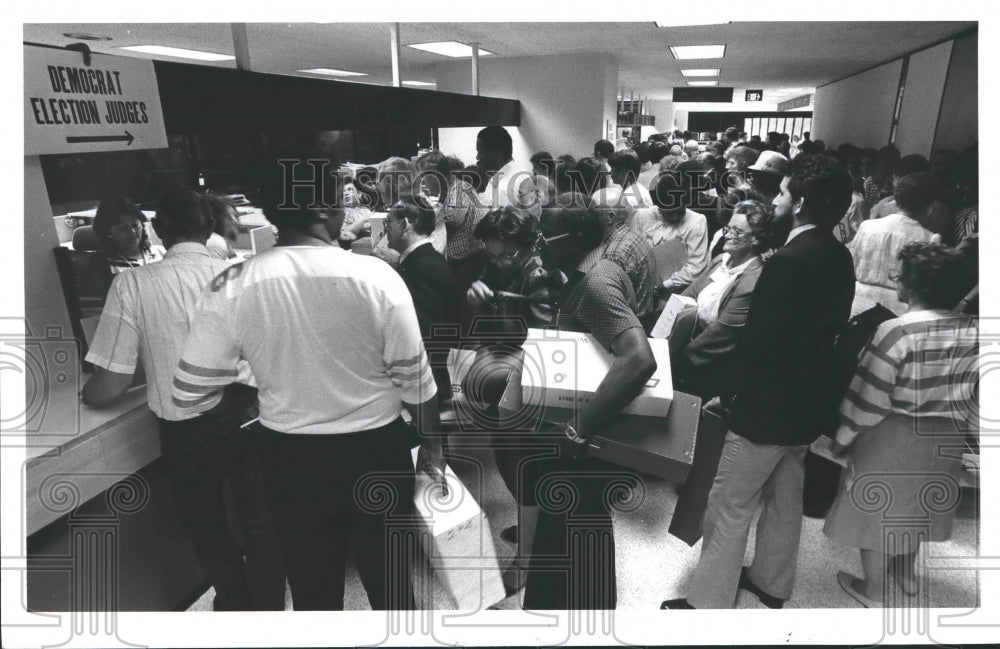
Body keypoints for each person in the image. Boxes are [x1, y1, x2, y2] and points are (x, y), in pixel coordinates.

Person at [171, 158, 446, 611]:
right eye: (341, 199)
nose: (349, 208)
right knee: (392, 586)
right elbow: (416, 382)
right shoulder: (377, 277)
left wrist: (267, 389)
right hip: (376, 452)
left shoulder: (232, 282)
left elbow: (189, 392)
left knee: (313, 588)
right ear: (321, 208)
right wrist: (433, 447)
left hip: (290, 458)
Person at [662, 154, 855, 610]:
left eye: (785, 193)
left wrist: (729, 396)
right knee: (786, 498)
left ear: (801, 202)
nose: (779, 199)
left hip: (766, 406)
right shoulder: (839, 255)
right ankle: (772, 582)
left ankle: (708, 600)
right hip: (807, 403)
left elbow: (758, 344)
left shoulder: (786, 262)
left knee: (730, 501)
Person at [82, 188, 285, 611]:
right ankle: (267, 609)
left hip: (188, 432)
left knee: (208, 526)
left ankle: (234, 604)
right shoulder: (243, 273)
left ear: (158, 230)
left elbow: (112, 383)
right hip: (250, 415)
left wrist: (90, 391)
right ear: (209, 225)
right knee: (262, 521)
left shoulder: (133, 285)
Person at [520, 201, 657, 610]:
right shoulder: (590, 272)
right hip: (586, 430)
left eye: (545, 234)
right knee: (577, 533)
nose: (537, 241)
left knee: (576, 532)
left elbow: (639, 358)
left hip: (586, 438)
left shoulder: (597, 282)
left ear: (576, 240)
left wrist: (577, 427)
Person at [825, 242, 977, 607]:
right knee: (919, 509)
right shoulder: (973, 332)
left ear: (912, 285)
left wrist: (844, 435)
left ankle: (873, 590)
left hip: (894, 436)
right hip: (946, 437)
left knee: (877, 514)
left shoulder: (896, 331)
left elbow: (869, 397)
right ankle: (905, 575)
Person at [461, 205, 564, 590]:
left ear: (524, 245)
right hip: (502, 380)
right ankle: (530, 528)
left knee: (523, 465)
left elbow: (543, 342)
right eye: (491, 253)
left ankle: (528, 562)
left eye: (505, 253)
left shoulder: (539, 276)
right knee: (506, 457)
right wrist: (477, 298)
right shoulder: (500, 265)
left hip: (526, 383)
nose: (497, 260)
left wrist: (487, 312)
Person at [670, 200, 775, 400]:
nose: (727, 234)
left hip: (706, 366)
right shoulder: (722, 260)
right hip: (684, 345)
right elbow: (688, 295)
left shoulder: (753, 279)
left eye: (737, 231)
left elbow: (720, 335)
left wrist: (675, 360)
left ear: (756, 239)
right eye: (728, 228)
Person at [385, 195, 461, 405]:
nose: (385, 230)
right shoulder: (420, 261)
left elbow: (428, 336)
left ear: (405, 224)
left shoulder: (424, 267)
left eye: (388, 222)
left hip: (425, 389)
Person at [849, 172, 938, 316]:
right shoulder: (928, 238)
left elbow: (851, 264)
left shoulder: (867, 226)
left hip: (857, 302)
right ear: (930, 206)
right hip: (896, 310)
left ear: (896, 200)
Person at [415, 150, 488, 296]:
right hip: (459, 262)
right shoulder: (446, 188)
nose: (422, 181)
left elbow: (453, 217)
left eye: (424, 176)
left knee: (463, 306)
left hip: (468, 263)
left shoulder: (460, 188)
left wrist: (431, 208)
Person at [629, 170, 709, 296]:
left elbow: (696, 268)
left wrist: (664, 285)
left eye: (680, 211)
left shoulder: (696, 221)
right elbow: (631, 254)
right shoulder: (641, 216)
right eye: (668, 213)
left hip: (676, 292)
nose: (675, 218)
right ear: (658, 205)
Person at [477, 125, 541, 218]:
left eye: (481, 152)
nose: (477, 157)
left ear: (497, 153)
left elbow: (532, 221)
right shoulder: (491, 178)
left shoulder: (521, 178)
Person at [93, 195, 164, 273]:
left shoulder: (160, 252)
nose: (132, 231)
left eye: (135, 225)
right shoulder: (103, 266)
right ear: (107, 232)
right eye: (123, 228)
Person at [204, 192, 241, 259]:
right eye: (227, 217)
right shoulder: (216, 243)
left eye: (236, 216)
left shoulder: (224, 243)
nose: (235, 221)